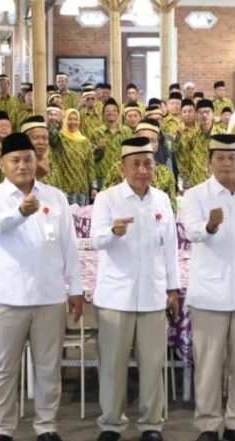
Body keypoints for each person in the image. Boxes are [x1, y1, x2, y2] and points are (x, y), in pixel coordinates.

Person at [0, 132, 83, 441]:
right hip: (6, 297)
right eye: (15, 160)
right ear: (2, 164)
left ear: (37, 162)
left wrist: (75, 288)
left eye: (28, 159)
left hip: (49, 295)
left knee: (48, 367)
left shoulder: (55, 197)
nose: (22, 165)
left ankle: (46, 426)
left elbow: (69, 244)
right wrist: (20, 212)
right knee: (4, 368)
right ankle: (2, 429)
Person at [180, 134, 235, 441]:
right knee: (208, 365)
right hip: (209, 294)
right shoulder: (196, 195)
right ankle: (208, 425)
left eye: (232, 157)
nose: (226, 163)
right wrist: (209, 226)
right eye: (220, 157)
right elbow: (190, 232)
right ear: (210, 161)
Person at [91, 137, 179, 441]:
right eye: (136, 164)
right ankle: (111, 424)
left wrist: (173, 289)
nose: (142, 170)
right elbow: (95, 240)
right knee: (113, 366)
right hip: (116, 297)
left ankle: (152, 424)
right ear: (122, 168)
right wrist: (112, 232)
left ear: (155, 166)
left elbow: (170, 247)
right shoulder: (108, 198)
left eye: (148, 164)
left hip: (153, 295)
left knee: (153, 364)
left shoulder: (162, 199)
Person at [48, 109, 98, 206]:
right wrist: (58, 121)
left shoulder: (85, 141)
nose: (73, 122)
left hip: (82, 189)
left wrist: (93, 187)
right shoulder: (60, 139)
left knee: (82, 214)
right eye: (69, 119)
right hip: (64, 189)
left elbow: (90, 166)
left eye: (76, 119)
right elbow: (51, 136)